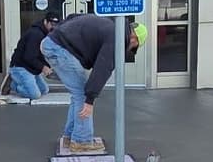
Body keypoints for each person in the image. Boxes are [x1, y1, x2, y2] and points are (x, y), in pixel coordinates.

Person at [39, 12, 148, 154]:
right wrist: (90, 99)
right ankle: (81, 142)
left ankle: (70, 136)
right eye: (133, 47)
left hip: (54, 44)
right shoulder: (116, 38)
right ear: (134, 39)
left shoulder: (110, 24)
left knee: (78, 94)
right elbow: (102, 68)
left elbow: (73, 16)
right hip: (59, 49)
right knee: (83, 96)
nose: (129, 49)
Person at [2, 14, 56, 102]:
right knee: (34, 95)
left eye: (56, 25)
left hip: (30, 68)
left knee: (44, 90)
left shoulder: (44, 34)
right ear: (45, 22)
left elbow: (38, 55)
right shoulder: (35, 34)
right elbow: (29, 57)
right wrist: (43, 67)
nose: (53, 27)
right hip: (20, 67)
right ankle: (12, 83)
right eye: (52, 24)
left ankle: (21, 81)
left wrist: (47, 66)